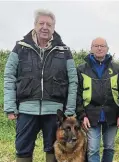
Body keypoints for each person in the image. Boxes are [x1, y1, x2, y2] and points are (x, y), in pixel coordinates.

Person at [3, 9, 78, 162]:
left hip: (55, 111)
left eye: (49, 24)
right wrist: (10, 107)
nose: (45, 27)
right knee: (23, 148)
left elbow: (73, 81)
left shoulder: (65, 51)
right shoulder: (20, 48)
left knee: (54, 148)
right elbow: (9, 76)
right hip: (26, 110)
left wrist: (69, 110)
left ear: (54, 27)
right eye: (41, 23)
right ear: (35, 25)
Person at [76, 37, 119, 162]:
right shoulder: (81, 69)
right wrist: (82, 115)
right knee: (93, 149)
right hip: (90, 115)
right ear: (91, 48)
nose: (99, 48)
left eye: (102, 46)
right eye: (96, 46)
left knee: (109, 147)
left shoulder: (117, 69)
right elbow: (77, 95)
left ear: (107, 49)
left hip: (112, 114)